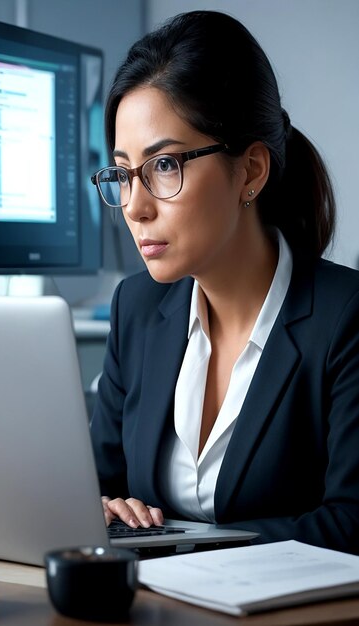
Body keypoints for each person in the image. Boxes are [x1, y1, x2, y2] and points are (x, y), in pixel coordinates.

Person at [89, 10, 359, 555]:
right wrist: (99, 509)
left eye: (164, 165)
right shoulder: (136, 308)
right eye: (121, 172)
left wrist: (180, 544)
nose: (134, 207)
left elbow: (352, 523)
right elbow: (99, 482)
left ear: (251, 171)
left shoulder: (344, 319)